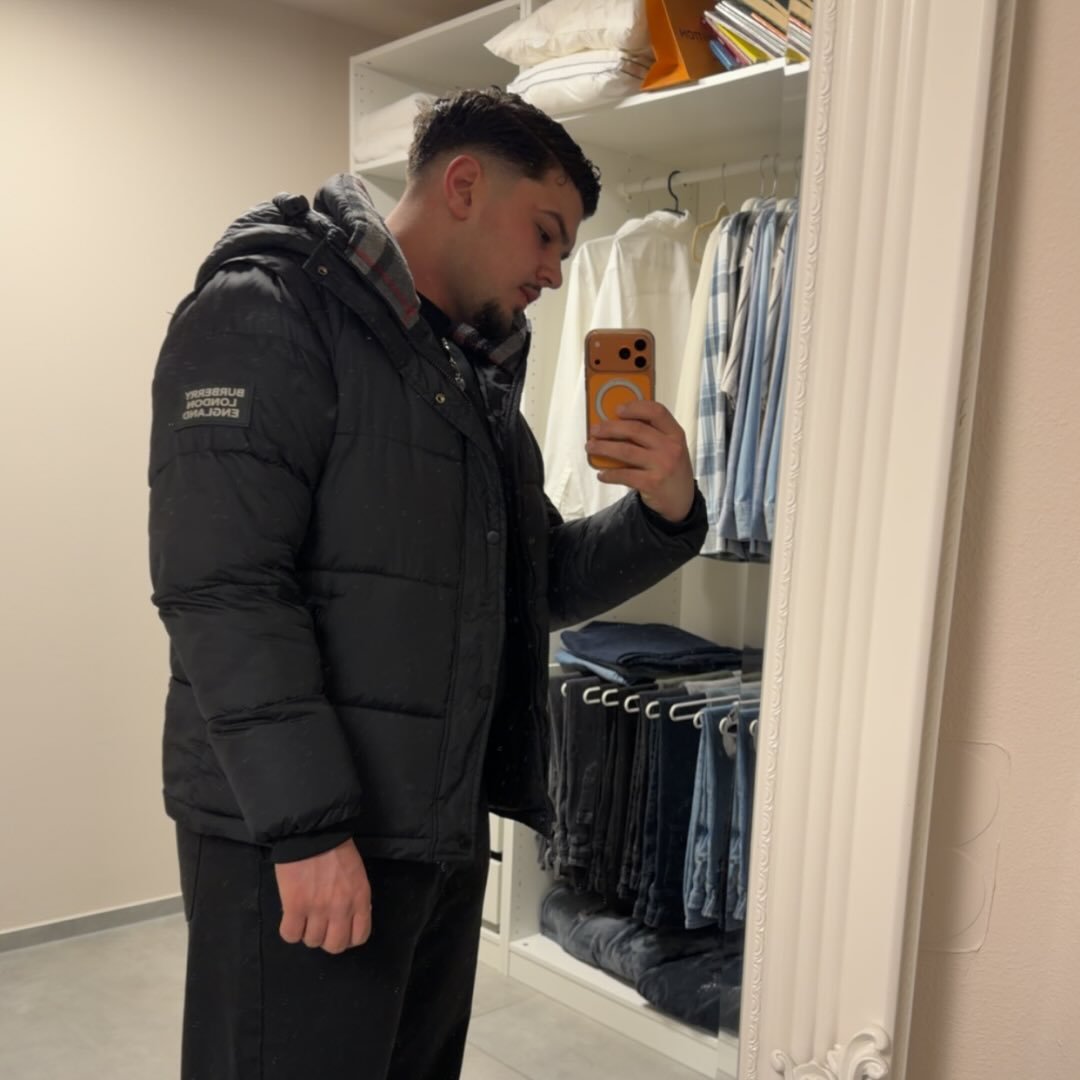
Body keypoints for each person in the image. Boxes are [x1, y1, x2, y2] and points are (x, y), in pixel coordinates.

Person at [148, 87, 707, 1080]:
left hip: (435, 833)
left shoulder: (469, 381)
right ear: (463, 185)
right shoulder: (263, 312)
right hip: (298, 837)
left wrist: (663, 510)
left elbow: (530, 586)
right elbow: (224, 589)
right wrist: (308, 832)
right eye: (547, 233)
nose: (554, 271)